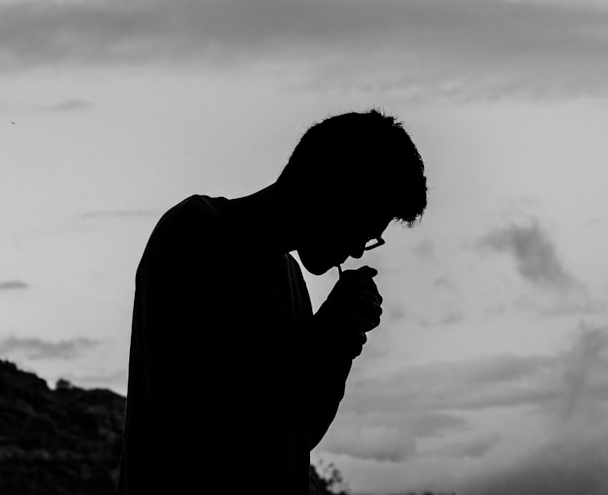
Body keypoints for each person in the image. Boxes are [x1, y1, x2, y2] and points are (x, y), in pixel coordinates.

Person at [116, 109, 427, 494]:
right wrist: (323, 333)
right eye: (357, 226)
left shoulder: (291, 279)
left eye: (368, 237)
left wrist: (340, 345)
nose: (356, 251)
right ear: (314, 184)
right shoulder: (194, 232)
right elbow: (197, 412)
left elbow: (297, 433)